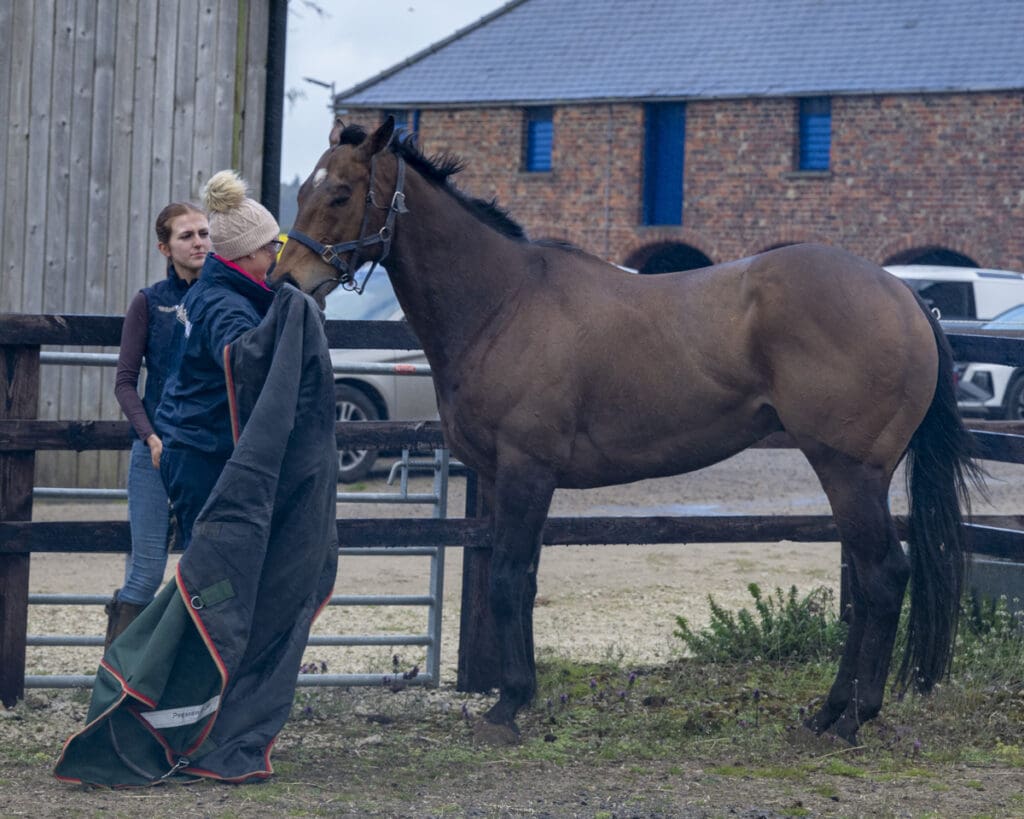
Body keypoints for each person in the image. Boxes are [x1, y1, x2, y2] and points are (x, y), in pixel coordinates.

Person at [154, 169, 280, 551]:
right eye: (274, 244)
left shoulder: (215, 292)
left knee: (210, 564)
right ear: (250, 252)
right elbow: (241, 359)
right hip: (206, 452)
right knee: (213, 569)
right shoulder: (228, 307)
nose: (278, 252)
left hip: (195, 445)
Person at [106, 203, 211, 647]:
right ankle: (116, 682)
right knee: (146, 570)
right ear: (164, 248)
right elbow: (126, 382)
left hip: (206, 455)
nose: (199, 242)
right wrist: (149, 435)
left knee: (207, 572)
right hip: (154, 453)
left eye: (204, 233)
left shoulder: (223, 300)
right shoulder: (150, 302)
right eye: (186, 236)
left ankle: (194, 682)